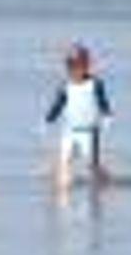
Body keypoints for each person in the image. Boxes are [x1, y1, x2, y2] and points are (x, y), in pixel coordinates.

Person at [45, 42, 112, 193]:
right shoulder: (65, 86)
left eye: (79, 66)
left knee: (91, 165)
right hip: (69, 131)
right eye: (72, 66)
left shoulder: (95, 84)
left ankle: (103, 182)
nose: (75, 70)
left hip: (89, 132)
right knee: (64, 161)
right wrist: (48, 120)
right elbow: (58, 104)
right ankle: (62, 191)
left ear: (87, 66)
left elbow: (103, 102)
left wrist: (107, 116)